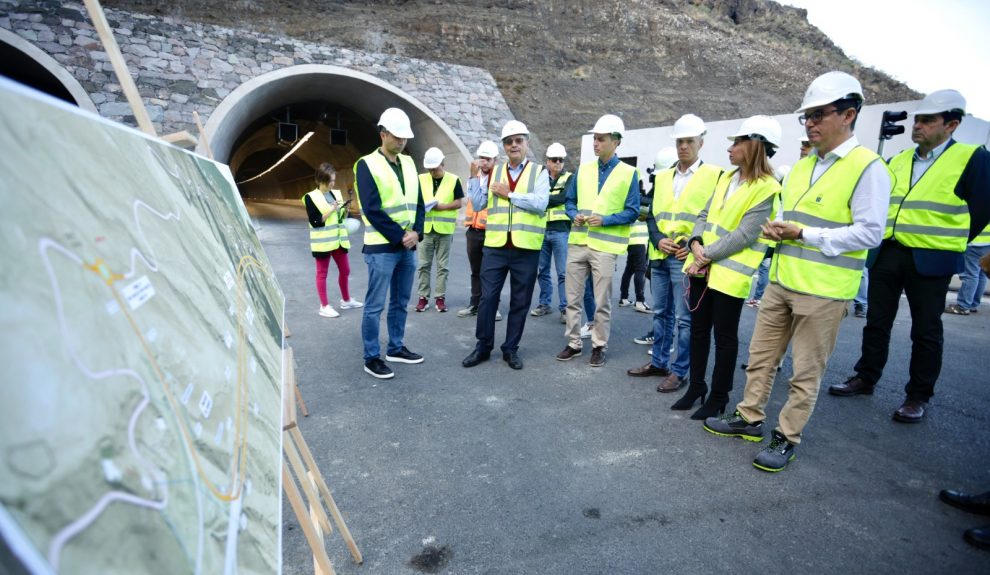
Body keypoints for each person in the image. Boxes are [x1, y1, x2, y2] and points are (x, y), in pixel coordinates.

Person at [704, 71, 891, 472]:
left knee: (805, 372)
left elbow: (871, 232)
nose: (811, 123)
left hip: (824, 291)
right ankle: (749, 419)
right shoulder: (803, 166)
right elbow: (788, 217)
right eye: (807, 116)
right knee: (760, 358)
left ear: (849, 115)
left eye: (820, 114)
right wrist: (779, 229)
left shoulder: (867, 167)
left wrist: (805, 233)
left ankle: (786, 437)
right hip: (782, 282)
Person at [830, 89, 990, 422]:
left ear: (952, 125)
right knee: (877, 322)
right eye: (917, 119)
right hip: (888, 251)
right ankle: (866, 377)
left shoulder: (973, 157)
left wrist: (954, 238)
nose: (918, 126)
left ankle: (918, 396)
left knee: (925, 330)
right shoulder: (898, 159)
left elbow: (982, 206)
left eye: (928, 120)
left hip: (932, 257)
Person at [673, 116, 780, 420]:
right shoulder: (726, 178)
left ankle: (719, 396)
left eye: (738, 143)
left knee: (724, 338)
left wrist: (703, 254)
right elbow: (704, 214)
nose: (731, 149)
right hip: (702, 267)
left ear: (755, 146)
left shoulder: (768, 188)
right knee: (697, 332)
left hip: (728, 276)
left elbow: (746, 234)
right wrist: (695, 242)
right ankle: (696, 387)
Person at [627, 116, 722, 393]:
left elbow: (714, 217)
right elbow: (652, 215)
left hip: (687, 259)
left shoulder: (714, 176)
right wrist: (658, 240)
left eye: (689, 141)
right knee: (660, 313)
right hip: (660, 254)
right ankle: (658, 362)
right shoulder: (664, 176)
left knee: (684, 320)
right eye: (679, 141)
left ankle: (679, 371)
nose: (683, 146)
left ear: (700, 143)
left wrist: (694, 244)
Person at [462, 120, 549, 370]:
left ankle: (510, 349)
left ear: (526, 143)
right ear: (504, 146)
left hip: (526, 248)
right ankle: (483, 347)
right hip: (496, 246)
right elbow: (478, 204)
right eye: (509, 142)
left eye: (518, 141)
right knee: (488, 298)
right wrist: (473, 177)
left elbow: (540, 203)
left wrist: (509, 194)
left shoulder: (538, 171)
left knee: (520, 302)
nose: (514, 145)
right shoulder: (495, 173)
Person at [556, 114, 640, 368]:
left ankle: (599, 345)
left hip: (604, 246)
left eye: (601, 139)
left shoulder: (628, 173)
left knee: (601, 300)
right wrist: (574, 214)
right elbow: (569, 201)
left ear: (616, 142)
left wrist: (606, 220)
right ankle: (573, 343)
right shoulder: (583, 170)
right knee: (572, 298)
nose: (596, 143)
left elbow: (633, 211)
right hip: (578, 242)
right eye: (594, 139)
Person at [353, 108, 426, 380]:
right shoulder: (366, 164)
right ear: (383, 134)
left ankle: (395, 347)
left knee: (400, 301)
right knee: (374, 305)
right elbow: (371, 208)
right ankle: (371, 357)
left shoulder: (408, 163)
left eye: (405, 138)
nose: (402, 142)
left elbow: (419, 202)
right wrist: (400, 236)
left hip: (408, 245)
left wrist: (417, 231)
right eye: (397, 137)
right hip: (382, 247)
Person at [302, 162, 362, 318]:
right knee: (322, 274)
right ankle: (324, 306)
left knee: (346, 270)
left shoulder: (336, 193)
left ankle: (346, 300)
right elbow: (316, 221)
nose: (333, 184)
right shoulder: (311, 197)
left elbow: (339, 217)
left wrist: (344, 210)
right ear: (320, 180)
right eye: (330, 181)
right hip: (323, 242)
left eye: (334, 180)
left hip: (338, 240)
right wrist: (331, 209)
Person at [457, 141, 502, 322]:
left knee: (491, 273)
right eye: (481, 158)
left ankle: (493, 306)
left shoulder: (498, 179)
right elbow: (471, 200)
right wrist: (472, 176)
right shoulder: (474, 177)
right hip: (473, 231)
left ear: (495, 160)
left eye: (488, 159)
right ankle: (475, 304)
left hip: (490, 231)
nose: (484, 162)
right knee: (475, 271)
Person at [415, 147, 463, 313]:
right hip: (426, 230)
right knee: (423, 265)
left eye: (435, 168)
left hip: (445, 230)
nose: (432, 171)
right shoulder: (420, 179)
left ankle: (440, 298)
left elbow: (458, 202)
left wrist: (441, 207)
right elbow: (414, 200)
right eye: (430, 168)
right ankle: (423, 297)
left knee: (443, 266)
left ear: (443, 163)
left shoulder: (453, 179)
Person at [531, 142, 574, 321]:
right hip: (542, 229)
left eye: (561, 160)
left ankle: (565, 308)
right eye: (554, 160)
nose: (558, 163)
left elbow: (563, 198)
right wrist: (545, 198)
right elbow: (534, 199)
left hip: (561, 231)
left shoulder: (570, 178)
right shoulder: (539, 177)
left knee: (563, 272)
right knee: (543, 270)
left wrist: (544, 198)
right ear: (547, 161)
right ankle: (544, 304)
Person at [618, 179, 651, 313]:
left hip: (631, 240)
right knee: (640, 270)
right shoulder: (638, 200)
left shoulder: (626, 199)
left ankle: (624, 298)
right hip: (639, 240)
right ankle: (640, 301)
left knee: (629, 270)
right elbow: (648, 205)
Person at [946, 222, 989, 314]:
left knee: (970, 275)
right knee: (981, 273)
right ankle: (973, 304)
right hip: (988, 242)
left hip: (975, 242)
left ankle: (963, 306)